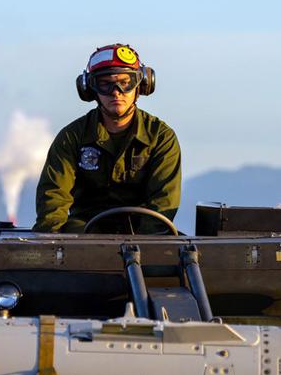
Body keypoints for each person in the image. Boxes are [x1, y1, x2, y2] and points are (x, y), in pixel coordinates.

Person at [33, 44, 181, 233]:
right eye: (105, 84)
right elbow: (53, 202)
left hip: (144, 235)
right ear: (89, 88)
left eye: (125, 82)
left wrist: (145, 250)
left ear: (142, 85)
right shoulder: (71, 138)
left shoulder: (160, 138)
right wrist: (55, 248)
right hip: (85, 233)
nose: (116, 91)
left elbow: (163, 205)